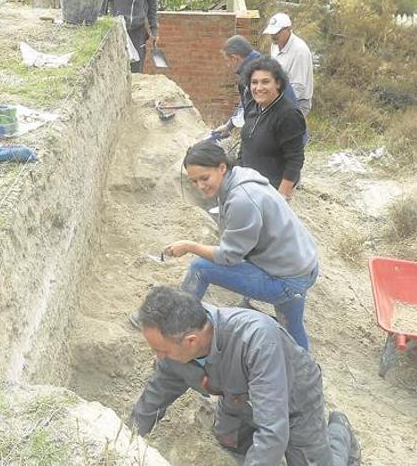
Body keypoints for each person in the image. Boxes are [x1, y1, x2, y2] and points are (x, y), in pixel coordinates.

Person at [130, 285, 360, 466]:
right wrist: (127, 441)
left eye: (162, 350)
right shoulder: (177, 342)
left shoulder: (256, 339)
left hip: (295, 401)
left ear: (191, 341)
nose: (159, 356)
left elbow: (273, 430)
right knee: (231, 441)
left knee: (301, 456)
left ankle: (340, 430)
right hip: (239, 395)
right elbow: (156, 394)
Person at [150, 141, 319, 351]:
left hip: (287, 279)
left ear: (222, 167)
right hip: (303, 266)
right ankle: (306, 374)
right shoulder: (241, 176)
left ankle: (175, 328)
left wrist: (190, 245)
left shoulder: (242, 200)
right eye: (194, 181)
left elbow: (229, 257)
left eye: (204, 178)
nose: (200, 186)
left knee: (200, 268)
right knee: (292, 328)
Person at [210, 35, 307, 146]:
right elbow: (247, 105)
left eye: (228, 61)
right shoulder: (261, 64)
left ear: (235, 58)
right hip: (290, 132)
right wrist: (229, 126)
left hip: (282, 136)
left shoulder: (254, 73)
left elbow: (253, 110)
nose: (228, 65)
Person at [239, 55, 307, 198]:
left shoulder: (288, 115)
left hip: (272, 191)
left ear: (277, 83)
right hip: (248, 186)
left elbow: (295, 159)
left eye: (265, 82)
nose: (259, 88)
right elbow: (245, 144)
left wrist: (280, 196)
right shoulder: (253, 107)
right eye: (254, 82)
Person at [103, 0, 158, 73]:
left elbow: (152, 5)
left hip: (138, 31)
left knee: (136, 69)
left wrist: (154, 29)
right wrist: (102, 24)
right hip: (117, 29)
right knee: (116, 68)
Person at [264, 12, 314, 117]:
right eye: (272, 32)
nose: (273, 35)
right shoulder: (275, 45)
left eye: (277, 32)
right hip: (278, 98)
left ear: (288, 29)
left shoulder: (300, 51)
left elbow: (298, 87)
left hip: (297, 102)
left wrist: (279, 106)